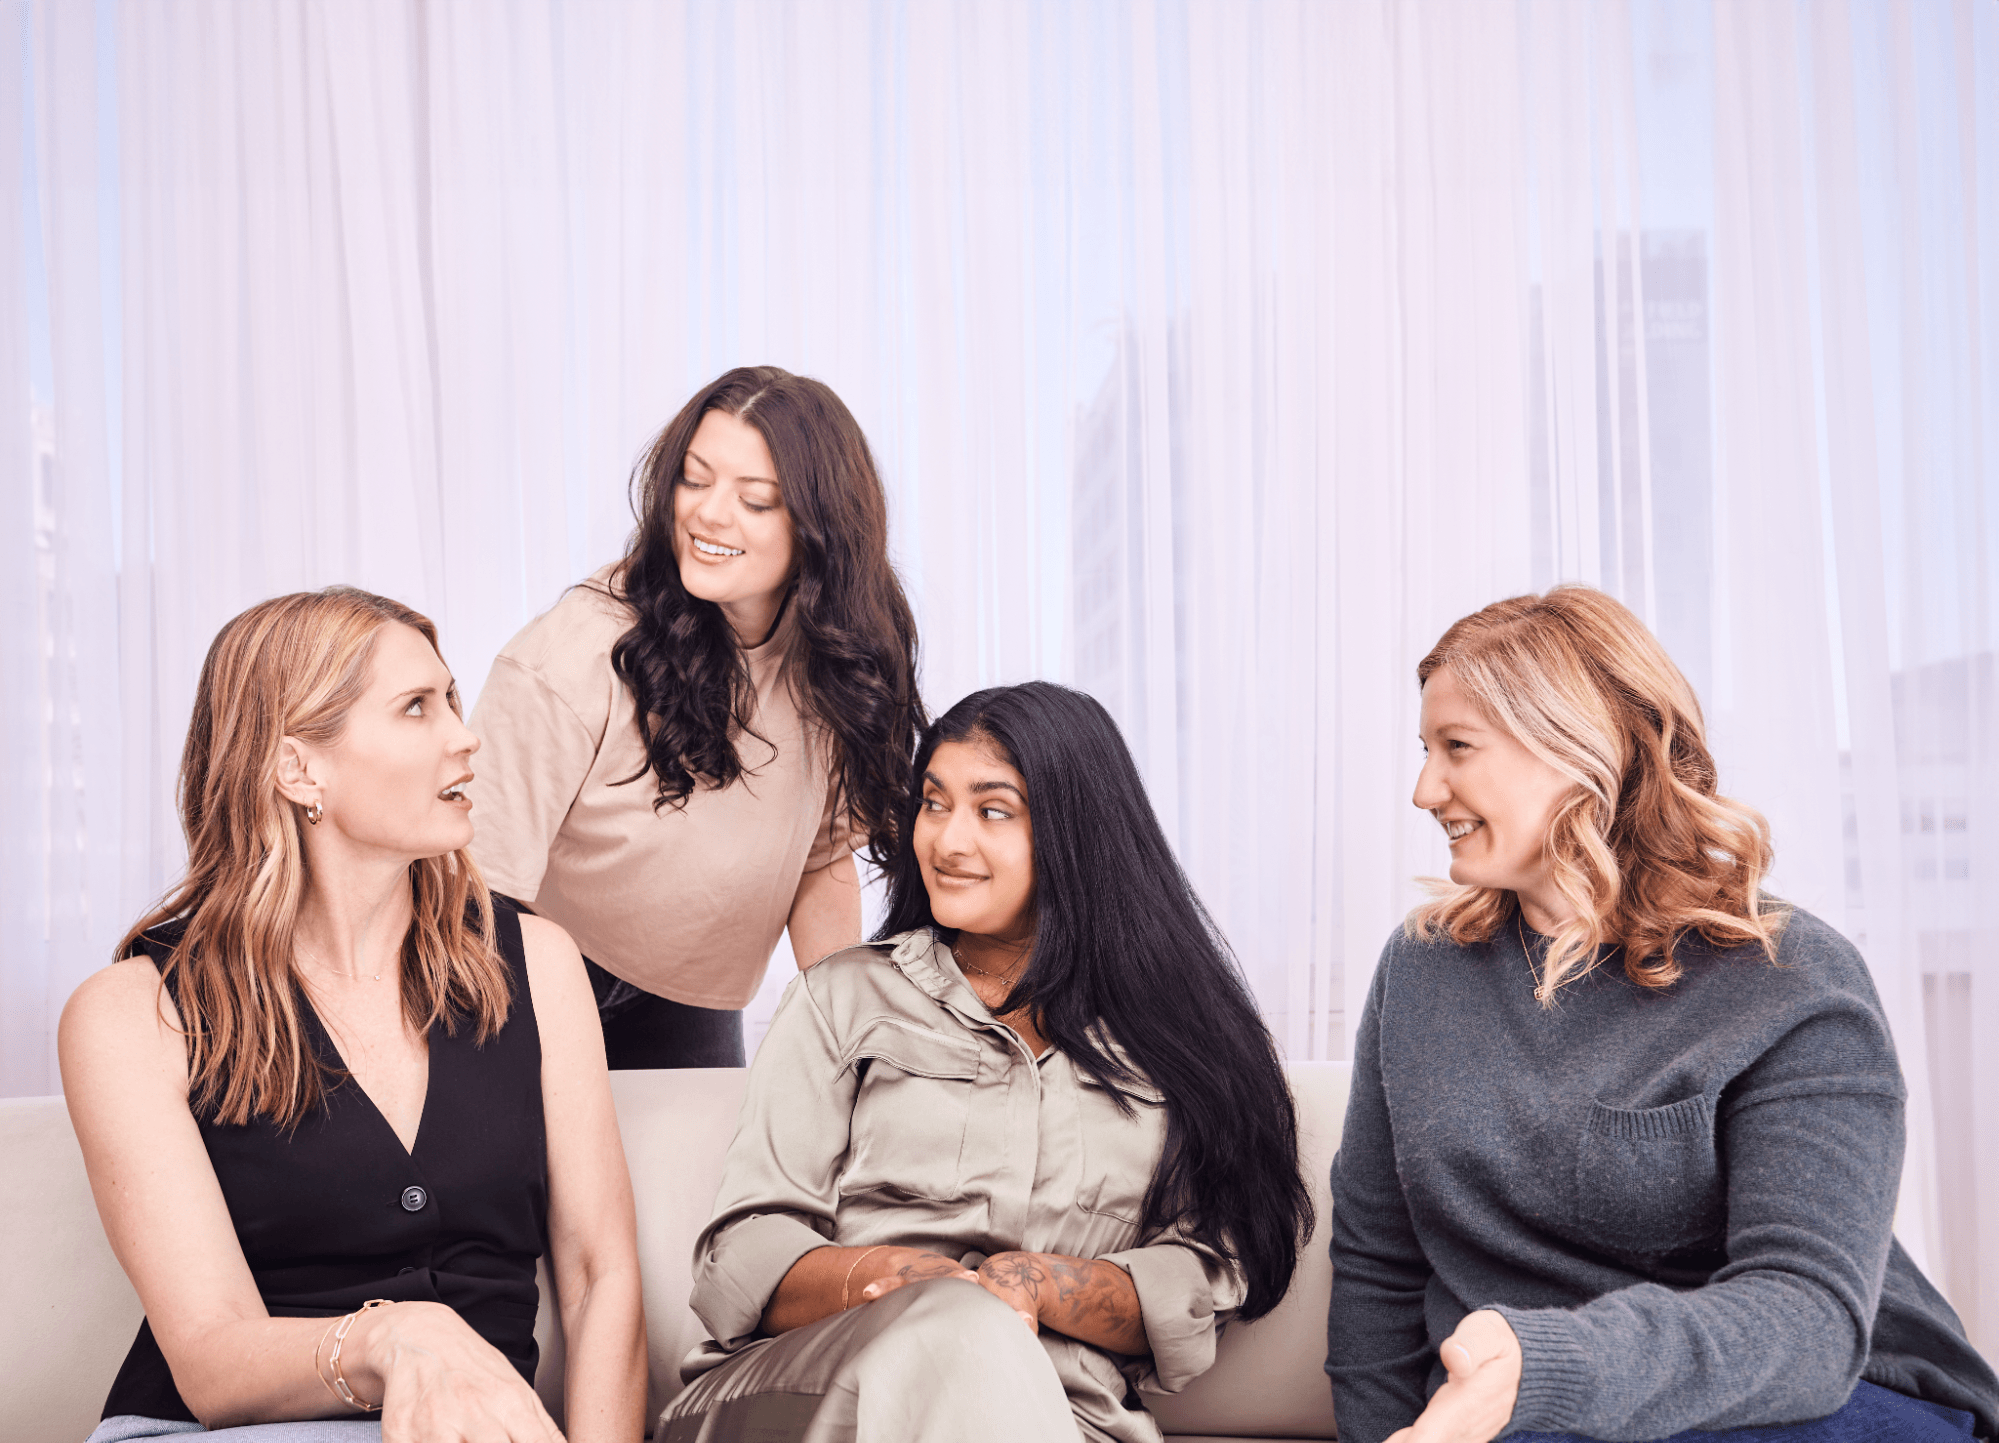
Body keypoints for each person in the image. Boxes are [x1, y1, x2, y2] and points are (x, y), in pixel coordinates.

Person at [1326, 587, 1999, 1443]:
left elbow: (1806, 1321)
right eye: (1424, 748)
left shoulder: (1789, 977)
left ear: (1579, 752)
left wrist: (1546, 1365)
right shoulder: (1421, 970)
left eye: (1457, 747)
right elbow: (1380, 1269)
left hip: (1818, 1397)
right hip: (1526, 1414)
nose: (1425, 789)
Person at [60, 588, 647, 1443]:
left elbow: (600, 1276)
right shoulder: (136, 1013)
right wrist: (396, 1334)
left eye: (450, 697)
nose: (464, 733)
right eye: (416, 707)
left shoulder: (537, 964)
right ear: (299, 768)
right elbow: (212, 1359)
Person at [660, 681, 1313, 1442]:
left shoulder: (1183, 1040)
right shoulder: (841, 999)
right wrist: (918, 1288)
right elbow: (744, 1253)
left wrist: (1040, 1285)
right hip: (805, 1392)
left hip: (1056, 1414)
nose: (946, 840)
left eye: (991, 810)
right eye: (934, 803)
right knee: (956, 1330)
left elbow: (1208, 1272)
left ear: (1076, 832)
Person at [468, 365, 924, 1069]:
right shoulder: (569, 656)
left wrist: (851, 1047)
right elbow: (479, 896)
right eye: (694, 477)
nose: (708, 514)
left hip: (697, 998)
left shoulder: (845, 653)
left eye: (756, 499)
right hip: (542, 981)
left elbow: (822, 854)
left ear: (820, 527)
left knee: (705, 1174)